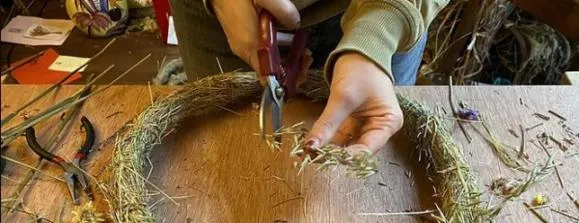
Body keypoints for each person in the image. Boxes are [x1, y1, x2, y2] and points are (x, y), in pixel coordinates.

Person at [171, 0, 448, 155]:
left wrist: (379, 32)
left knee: (379, 150)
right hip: (226, 17)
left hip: (390, 10)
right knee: (220, 153)